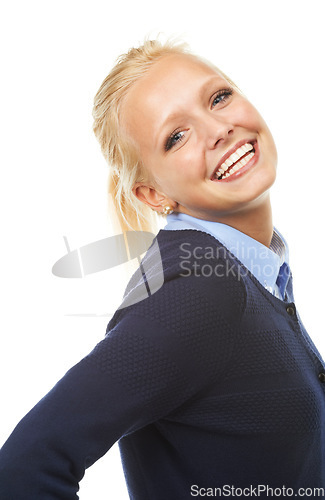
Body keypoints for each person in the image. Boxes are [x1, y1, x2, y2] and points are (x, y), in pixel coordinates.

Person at [0, 38, 325, 499]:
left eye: (218, 97)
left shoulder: (249, 269)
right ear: (153, 194)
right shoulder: (200, 293)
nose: (219, 129)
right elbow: (23, 469)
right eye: (176, 137)